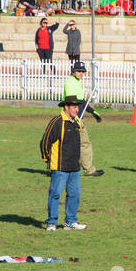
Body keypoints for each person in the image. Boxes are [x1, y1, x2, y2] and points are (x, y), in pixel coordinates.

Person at [39, 95, 86, 231]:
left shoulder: (76, 122)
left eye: (77, 107)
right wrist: (48, 159)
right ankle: (52, 222)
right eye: (74, 107)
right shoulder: (57, 122)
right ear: (66, 107)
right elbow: (45, 142)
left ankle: (70, 221)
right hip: (60, 167)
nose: (76, 110)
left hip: (74, 167)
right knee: (55, 194)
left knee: (75, 194)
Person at [63, 59, 102, 176]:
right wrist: (76, 117)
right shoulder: (71, 82)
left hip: (76, 117)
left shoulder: (76, 81)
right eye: (78, 71)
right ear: (73, 71)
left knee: (75, 143)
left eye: (82, 71)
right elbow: (71, 102)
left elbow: (81, 101)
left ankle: (68, 167)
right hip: (72, 118)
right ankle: (88, 169)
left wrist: (93, 112)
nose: (81, 73)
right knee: (82, 143)